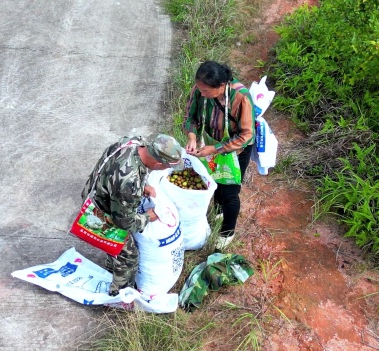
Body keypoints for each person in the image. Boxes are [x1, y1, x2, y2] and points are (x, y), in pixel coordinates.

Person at [81, 133, 184, 296]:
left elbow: (120, 172)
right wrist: (150, 216)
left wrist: (144, 184)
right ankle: (119, 296)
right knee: (129, 257)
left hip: (97, 191)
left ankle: (111, 264)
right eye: (166, 166)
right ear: (158, 163)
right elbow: (124, 222)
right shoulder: (129, 182)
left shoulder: (135, 141)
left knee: (120, 248)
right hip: (98, 211)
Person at [183, 61, 255, 250]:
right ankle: (218, 211)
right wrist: (192, 136)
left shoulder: (241, 97)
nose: (202, 93)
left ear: (221, 86)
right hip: (211, 144)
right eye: (200, 88)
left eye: (206, 91)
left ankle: (227, 232)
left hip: (236, 148)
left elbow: (247, 135)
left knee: (230, 191)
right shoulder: (199, 90)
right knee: (213, 181)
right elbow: (190, 118)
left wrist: (215, 149)